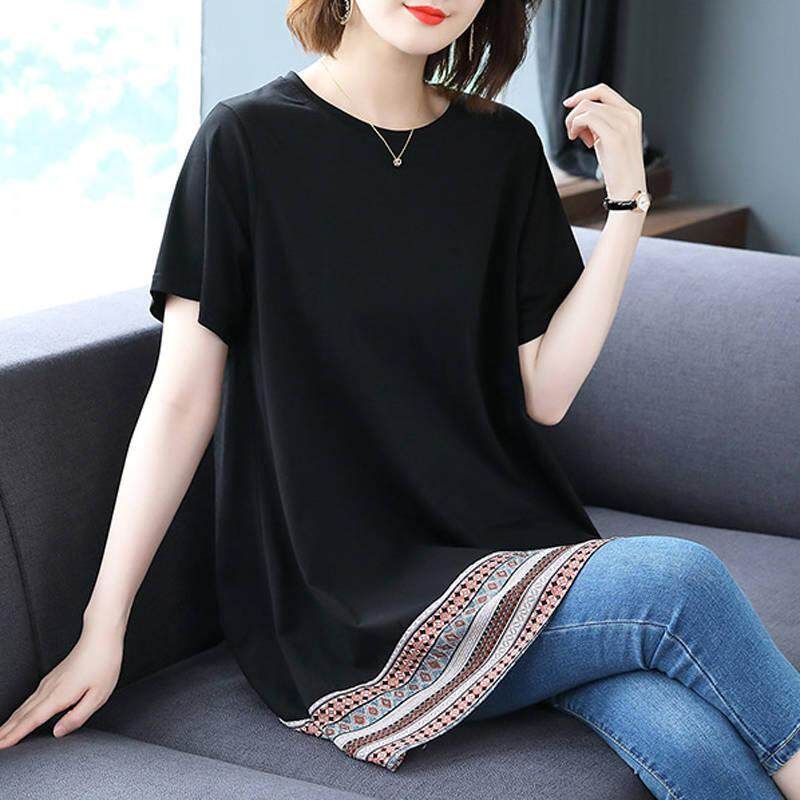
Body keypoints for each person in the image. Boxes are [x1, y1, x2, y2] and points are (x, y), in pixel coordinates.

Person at [1, 0, 799, 795]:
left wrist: (627, 208)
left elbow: (547, 393)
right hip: (345, 604)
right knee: (679, 582)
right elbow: (181, 400)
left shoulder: (501, 147)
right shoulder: (244, 142)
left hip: (512, 552)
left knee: (686, 736)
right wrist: (103, 627)